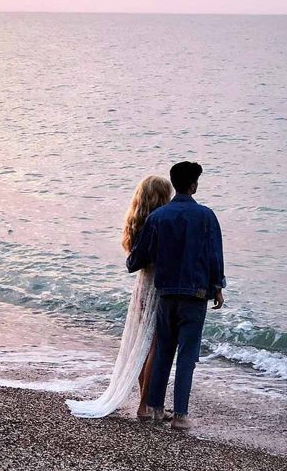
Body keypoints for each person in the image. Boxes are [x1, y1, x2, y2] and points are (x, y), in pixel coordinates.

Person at [127, 161, 226, 430]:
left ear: (174, 184)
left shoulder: (157, 218)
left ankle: (157, 409)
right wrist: (218, 286)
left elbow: (137, 259)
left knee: (163, 353)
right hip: (195, 294)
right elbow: (214, 255)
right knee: (187, 356)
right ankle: (180, 416)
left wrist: (134, 261)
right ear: (193, 185)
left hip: (166, 293)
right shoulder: (206, 216)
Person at [66, 176, 172, 418]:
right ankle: (146, 405)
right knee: (154, 345)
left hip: (142, 286)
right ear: (162, 198)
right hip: (157, 287)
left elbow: (135, 259)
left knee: (141, 346)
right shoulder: (159, 224)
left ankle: (146, 403)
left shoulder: (138, 223)